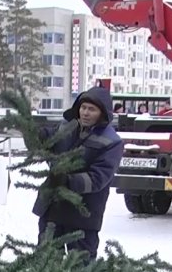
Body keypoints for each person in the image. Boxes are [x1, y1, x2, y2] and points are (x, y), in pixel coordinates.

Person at [32, 86, 123, 261]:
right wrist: (37, 134)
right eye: (83, 107)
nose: (86, 113)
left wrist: (67, 181)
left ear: (102, 113)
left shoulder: (112, 142)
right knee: (46, 263)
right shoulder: (65, 127)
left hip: (83, 214)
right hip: (52, 208)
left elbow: (98, 178)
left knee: (81, 267)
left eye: (92, 109)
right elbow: (46, 141)